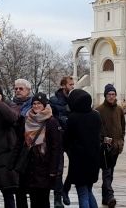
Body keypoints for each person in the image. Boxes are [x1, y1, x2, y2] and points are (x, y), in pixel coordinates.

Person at [15, 92, 62, 208]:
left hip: (44, 167)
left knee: (44, 199)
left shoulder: (51, 122)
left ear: (45, 105)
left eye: (39, 104)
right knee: (33, 199)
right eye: (34, 103)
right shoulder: (27, 120)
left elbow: (55, 148)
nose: (36, 106)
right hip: (30, 166)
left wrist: (53, 170)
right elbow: (20, 142)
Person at [63, 89, 101, 208]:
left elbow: (67, 139)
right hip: (94, 159)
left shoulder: (73, 118)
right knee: (88, 190)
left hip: (79, 160)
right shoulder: (96, 115)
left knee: (82, 193)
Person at [95, 84, 124, 208]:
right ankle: (110, 195)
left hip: (116, 147)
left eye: (113, 94)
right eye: (109, 94)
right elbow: (96, 128)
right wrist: (102, 140)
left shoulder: (119, 109)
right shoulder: (99, 110)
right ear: (105, 95)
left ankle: (105, 198)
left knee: (110, 172)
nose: (111, 96)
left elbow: (123, 125)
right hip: (104, 147)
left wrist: (122, 139)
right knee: (107, 172)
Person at [48, 77, 74, 208]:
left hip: (70, 138)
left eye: (73, 84)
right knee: (58, 169)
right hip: (58, 137)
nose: (72, 86)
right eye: (70, 84)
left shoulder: (74, 99)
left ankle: (65, 190)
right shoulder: (54, 100)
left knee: (75, 166)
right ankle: (57, 198)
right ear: (64, 86)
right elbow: (52, 118)